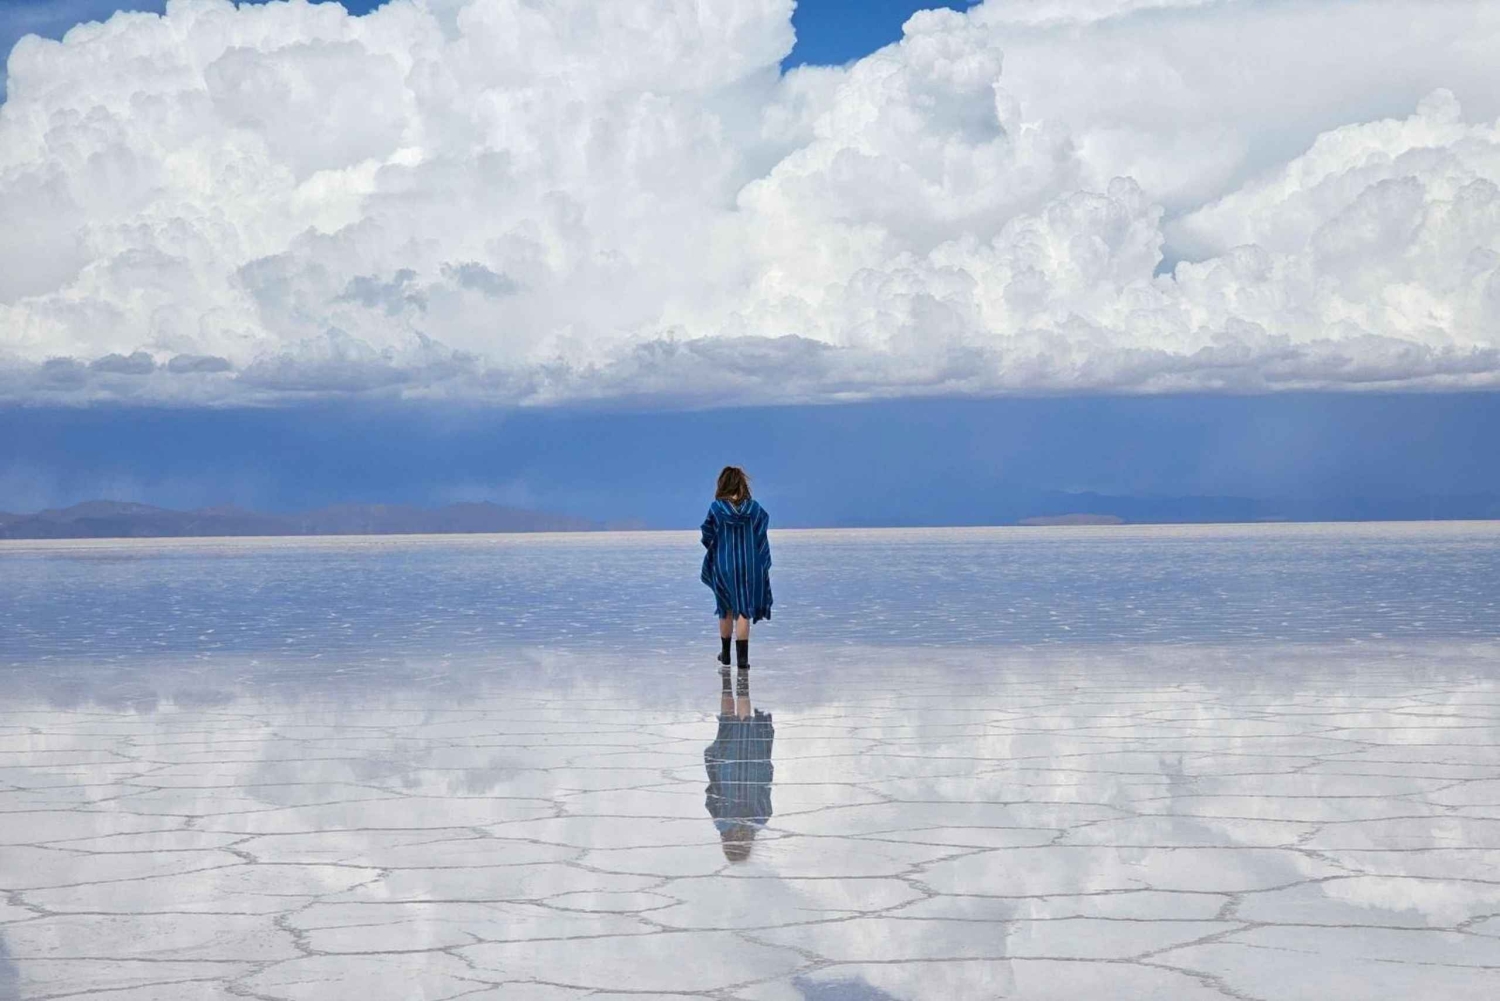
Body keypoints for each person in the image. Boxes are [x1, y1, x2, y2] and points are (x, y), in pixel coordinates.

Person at [699, 466, 772, 669]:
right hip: (749, 565)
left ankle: (725, 654)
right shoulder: (754, 508)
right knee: (743, 610)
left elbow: (707, 534)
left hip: (723, 565)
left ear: (723, 484)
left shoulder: (716, 508)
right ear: (742, 484)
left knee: (726, 609)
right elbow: (761, 534)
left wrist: (718, 547)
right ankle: (742, 660)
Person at [704, 666, 773, 863]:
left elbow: (765, 793)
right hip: (727, 768)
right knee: (727, 724)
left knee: (744, 724)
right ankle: (728, 683)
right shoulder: (721, 822)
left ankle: (743, 682)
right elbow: (711, 797)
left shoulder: (760, 820)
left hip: (753, 766)